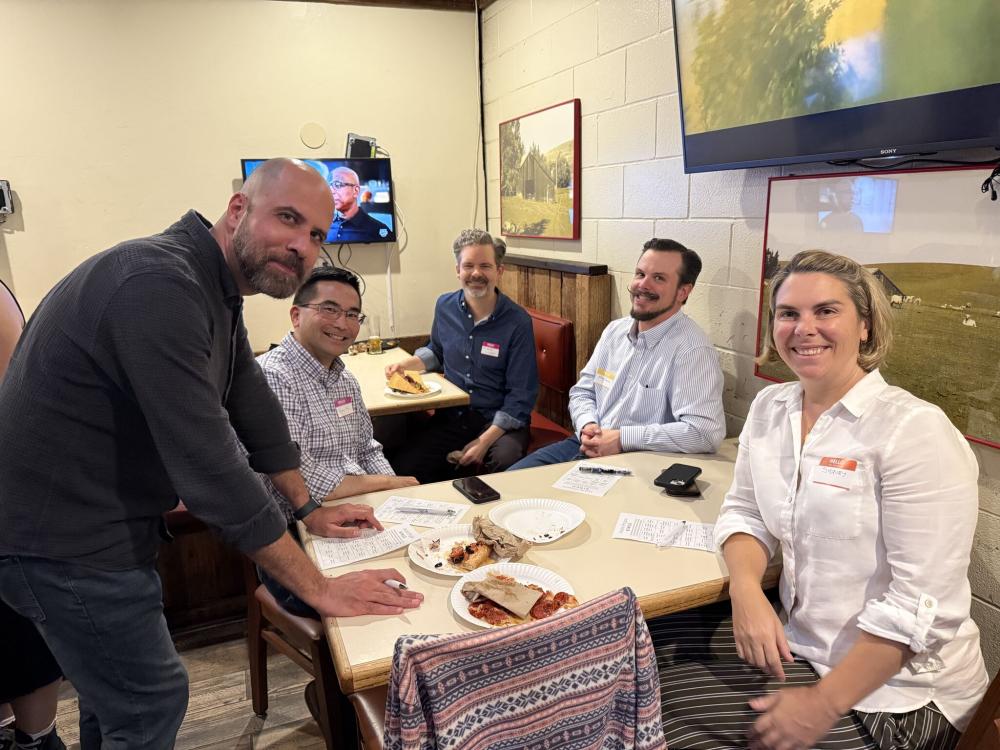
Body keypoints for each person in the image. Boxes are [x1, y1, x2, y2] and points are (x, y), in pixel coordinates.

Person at [0, 158, 422, 749]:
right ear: (237, 210)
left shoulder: (212, 286)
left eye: (317, 235)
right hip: (61, 538)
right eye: (288, 218)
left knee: (115, 700)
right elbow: (211, 467)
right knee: (150, 701)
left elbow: (249, 401)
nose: (302, 245)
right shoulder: (159, 284)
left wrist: (306, 508)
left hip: (102, 529)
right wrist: (320, 588)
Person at [655, 250, 988, 750]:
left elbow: (923, 609)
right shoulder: (771, 407)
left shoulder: (915, 431)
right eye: (788, 313)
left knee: (670, 729)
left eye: (826, 311)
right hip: (799, 645)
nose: (804, 328)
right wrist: (747, 591)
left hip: (895, 697)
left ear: (866, 327)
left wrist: (823, 702)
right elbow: (745, 511)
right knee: (643, 661)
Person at [255, 265, 419, 616]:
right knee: (389, 607)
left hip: (353, 520)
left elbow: (367, 448)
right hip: (291, 539)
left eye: (352, 314)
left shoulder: (343, 378)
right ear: (296, 315)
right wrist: (390, 482)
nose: (343, 323)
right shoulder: (274, 377)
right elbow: (305, 481)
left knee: (427, 568)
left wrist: (394, 500)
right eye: (329, 309)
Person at [508, 238, 725, 470]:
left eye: (659, 278)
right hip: (582, 445)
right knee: (506, 485)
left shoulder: (692, 350)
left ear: (683, 291)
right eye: (640, 274)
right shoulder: (615, 330)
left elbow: (704, 432)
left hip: (635, 462)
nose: (643, 285)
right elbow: (583, 392)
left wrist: (622, 439)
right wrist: (587, 424)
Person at [386, 228, 538, 482]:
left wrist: (483, 441)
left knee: (504, 463)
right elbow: (436, 351)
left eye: (485, 266)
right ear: (458, 270)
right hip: (453, 417)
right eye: (468, 265)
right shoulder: (444, 306)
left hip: (500, 422)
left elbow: (521, 396)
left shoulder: (518, 322)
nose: (476, 273)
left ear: (499, 271)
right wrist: (405, 364)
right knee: (404, 467)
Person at [328, 166, 391, 243]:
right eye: (329, 186)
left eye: (338, 184)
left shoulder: (378, 229)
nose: (332, 191)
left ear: (356, 191)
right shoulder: (322, 227)